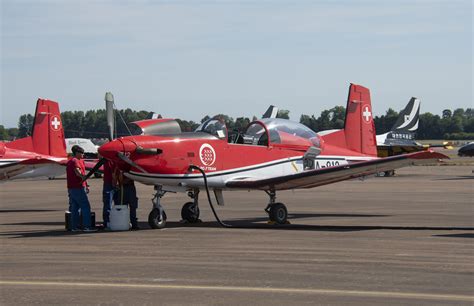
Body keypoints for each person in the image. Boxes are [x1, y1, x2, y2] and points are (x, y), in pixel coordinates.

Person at [66, 145, 96, 232]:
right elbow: (77, 171)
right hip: (78, 187)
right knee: (85, 206)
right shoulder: (75, 161)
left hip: (72, 188)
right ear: (77, 153)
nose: (83, 154)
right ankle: (87, 226)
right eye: (81, 153)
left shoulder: (73, 161)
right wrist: (83, 177)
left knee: (75, 208)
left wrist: (86, 184)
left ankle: (74, 227)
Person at [101, 158, 117, 228]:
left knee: (114, 204)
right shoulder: (108, 160)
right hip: (110, 184)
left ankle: (111, 221)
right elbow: (113, 172)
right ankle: (107, 222)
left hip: (114, 183)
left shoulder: (112, 160)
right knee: (108, 204)